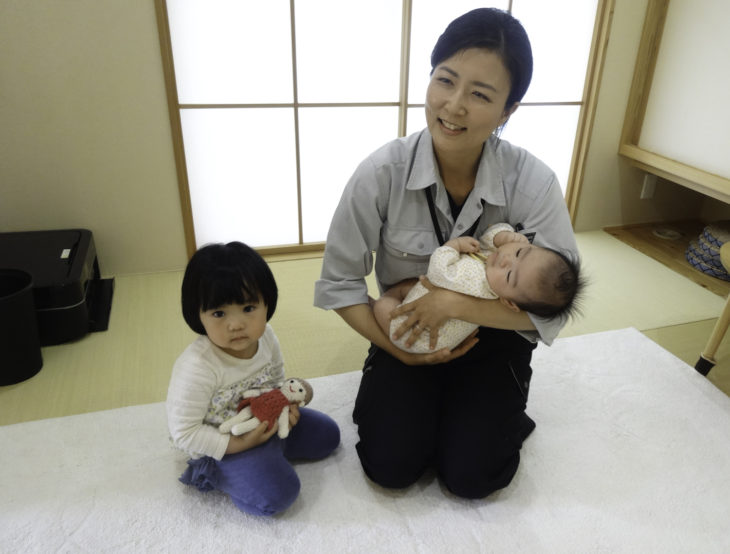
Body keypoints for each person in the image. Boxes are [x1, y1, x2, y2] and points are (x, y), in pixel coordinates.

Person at [314, 7, 580, 499]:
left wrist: (456, 305)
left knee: (473, 477)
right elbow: (340, 284)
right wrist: (394, 348)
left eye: (480, 95)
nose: (453, 106)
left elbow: (552, 308)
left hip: (495, 337)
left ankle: (480, 415)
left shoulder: (534, 181)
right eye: (445, 80)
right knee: (390, 466)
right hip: (407, 327)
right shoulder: (380, 173)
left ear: (507, 112)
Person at [167, 241, 340, 516]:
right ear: (197, 316)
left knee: (329, 436)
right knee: (279, 495)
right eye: (219, 313)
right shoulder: (197, 367)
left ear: (266, 303)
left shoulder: (267, 337)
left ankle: (271, 452)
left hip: (267, 421)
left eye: (248, 308)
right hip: (226, 442)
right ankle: (216, 473)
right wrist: (239, 445)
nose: (236, 324)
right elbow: (184, 433)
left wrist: (289, 407)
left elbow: (277, 381)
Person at [373, 223, 582, 354]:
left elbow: (438, 271)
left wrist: (453, 246)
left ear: (508, 303)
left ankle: (378, 305)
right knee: (409, 289)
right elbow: (488, 240)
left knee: (385, 305)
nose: (505, 260)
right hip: (438, 327)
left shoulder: (476, 281)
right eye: (519, 252)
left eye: (510, 275)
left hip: (414, 336)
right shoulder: (496, 277)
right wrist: (503, 236)